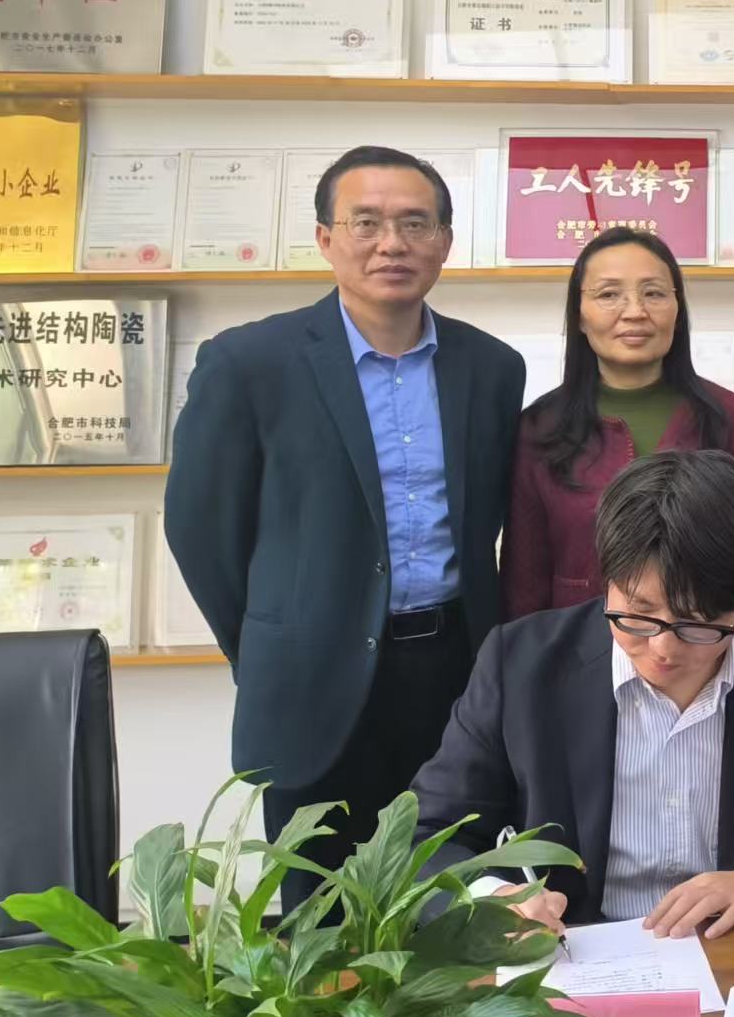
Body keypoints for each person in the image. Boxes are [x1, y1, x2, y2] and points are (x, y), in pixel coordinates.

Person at [165, 145, 525, 908]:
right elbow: (202, 532)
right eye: (366, 223)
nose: (391, 244)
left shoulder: (492, 368)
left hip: (453, 674)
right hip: (312, 682)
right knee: (319, 912)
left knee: (458, 900)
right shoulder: (249, 363)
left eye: (414, 224)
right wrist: (272, 638)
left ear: (444, 241)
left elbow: (490, 519)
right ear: (326, 239)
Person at [413, 450, 734, 934]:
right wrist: (496, 898)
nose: (663, 648)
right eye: (639, 615)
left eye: (696, 624)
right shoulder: (520, 666)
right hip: (573, 949)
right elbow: (427, 838)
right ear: (608, 581)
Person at [503, 227, 734, 619]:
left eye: (654, 293)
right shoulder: (540, 427)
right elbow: (524, 578)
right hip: (577, 641)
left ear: (677, 310)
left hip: (698, 640)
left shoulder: (729, 415)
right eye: (609, 294)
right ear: (579, 314)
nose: (635, 312)